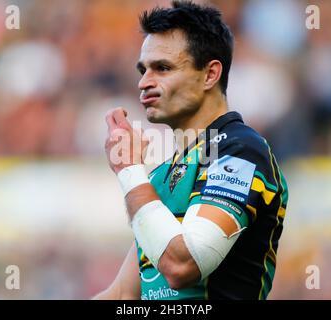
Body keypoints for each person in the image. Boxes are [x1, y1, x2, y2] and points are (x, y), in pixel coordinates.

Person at [94, 0, 288, 300]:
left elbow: (183, 266)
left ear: (210, 75)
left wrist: (130, 170)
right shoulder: (160, 176)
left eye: (162, 68)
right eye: (142, 70)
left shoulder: (241, 151)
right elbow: (122, 296)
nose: (144, 82)